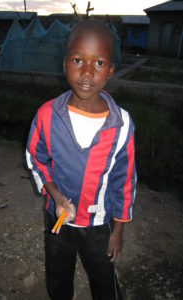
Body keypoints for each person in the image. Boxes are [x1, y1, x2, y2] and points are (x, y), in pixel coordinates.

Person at [26, 19, 137, 300]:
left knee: (103, 278)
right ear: (65, 64)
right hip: (57, 218)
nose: (87, 72)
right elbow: (35, 158)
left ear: (110, 70)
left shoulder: (122, 124)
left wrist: (119, 229)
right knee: (58, 276)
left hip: (99, 224)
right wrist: (55, 193)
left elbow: (124, 180)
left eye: (98, 63)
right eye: (78, 60)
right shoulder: (47, 115)